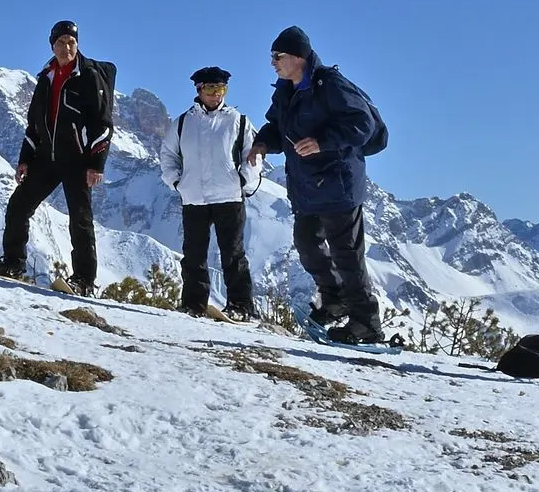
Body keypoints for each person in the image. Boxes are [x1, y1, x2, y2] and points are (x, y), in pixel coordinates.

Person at [253, 26, 386, 344]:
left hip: (339, 184)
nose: (273, 62)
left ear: (297, 57)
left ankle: (366, 323)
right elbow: (277, 126)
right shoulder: (285, 90)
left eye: (278, 56)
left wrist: (323, 141)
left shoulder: (331, 85)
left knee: (347, 254)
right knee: (307, 244)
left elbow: (361, 124)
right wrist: (261, 143)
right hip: (307, 187)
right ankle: (334, 299)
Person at [0, 21, 116, 295]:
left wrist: (96, 163)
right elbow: (34, 124)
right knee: (18, 206)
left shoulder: (88, 76)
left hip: (77, 159)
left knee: (80, 219)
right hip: (46, 158)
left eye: (71, 43)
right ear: (52, 45)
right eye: (61, 43)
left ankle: (84, 281)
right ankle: (13, 264)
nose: (66, 48)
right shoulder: (46, 77)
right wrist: (24, 160)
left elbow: (103, 124)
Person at [157, 66, 259, 320]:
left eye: (221, 89)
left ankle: (241, 306)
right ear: (199, 89)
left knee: (233, 254)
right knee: (193, 255)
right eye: (211, 89)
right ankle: (193, 305)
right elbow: (167, 154)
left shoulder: (238, 121)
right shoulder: (182, 123)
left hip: (229, 197)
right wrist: (177, 182)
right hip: (194, 197)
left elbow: (253, 155)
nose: (217, 95)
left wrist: (244, 182)